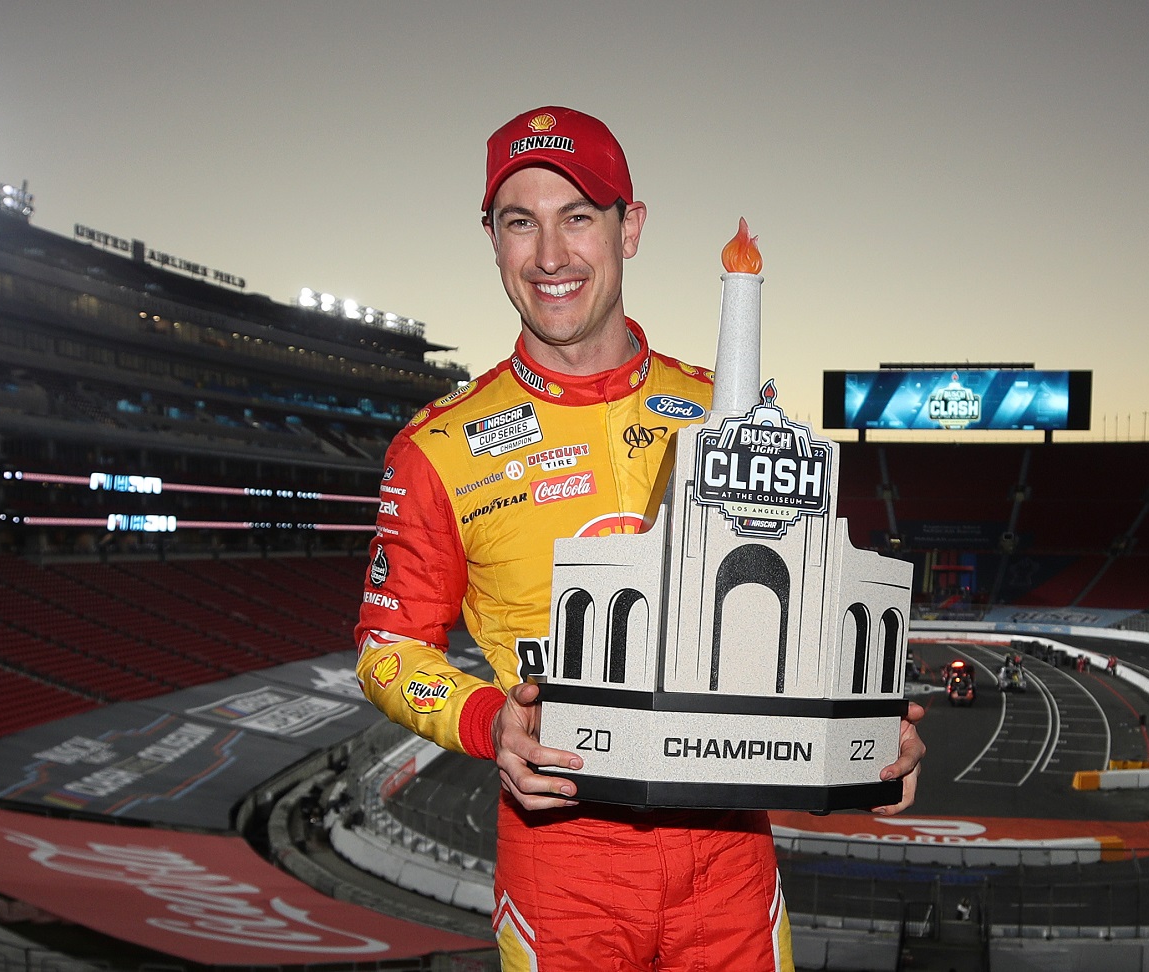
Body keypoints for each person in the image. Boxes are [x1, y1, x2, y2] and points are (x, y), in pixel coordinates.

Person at [355, 105, 925, 971]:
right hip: (561, 858)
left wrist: (875, 732)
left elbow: (809, 610)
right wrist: (485, 722)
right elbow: (387, 648)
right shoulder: (437, 447)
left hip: (731, 855)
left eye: (578, 216)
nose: (550, 255)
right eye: (521, 223)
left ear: (632, 228)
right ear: (493, 239)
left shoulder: (737, 415)